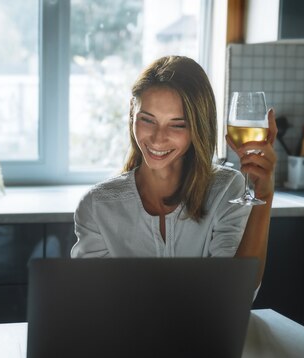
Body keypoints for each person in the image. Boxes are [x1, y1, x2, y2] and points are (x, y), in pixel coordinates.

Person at [70, 56, 277, 285]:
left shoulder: (228, 189)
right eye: (148, 120)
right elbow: (92, 299)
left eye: (177, 124)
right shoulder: (97, 205)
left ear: (199, 126)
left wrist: (263, 196)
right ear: (132, 113)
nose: (158, 139)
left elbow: (239, 291)